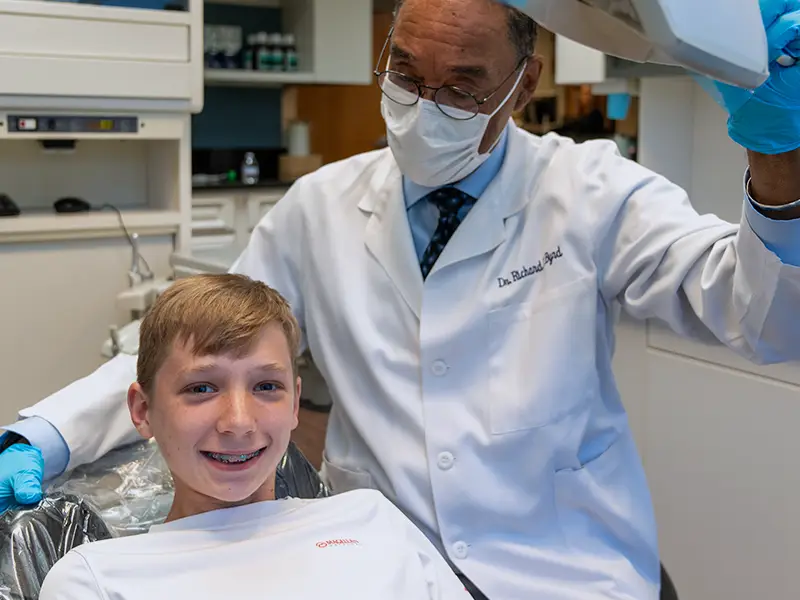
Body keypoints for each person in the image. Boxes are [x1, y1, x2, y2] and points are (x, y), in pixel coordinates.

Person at [3, 0, 800, 597]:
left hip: (563, 568)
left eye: (462, 88)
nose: (425, 106)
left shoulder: (592, 191)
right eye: (408, 74)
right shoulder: (320, 206)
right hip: (374, 566)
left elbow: (765, 319)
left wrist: (780, 153)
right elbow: (192, 348)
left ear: (527, 83)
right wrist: (43, 435)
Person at [38, 274, 470, 600]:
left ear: (296, 404)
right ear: (143, 410)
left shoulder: (371, 519)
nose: (239, 422)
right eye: (201, 389)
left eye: (266, 387)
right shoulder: (96, 580)